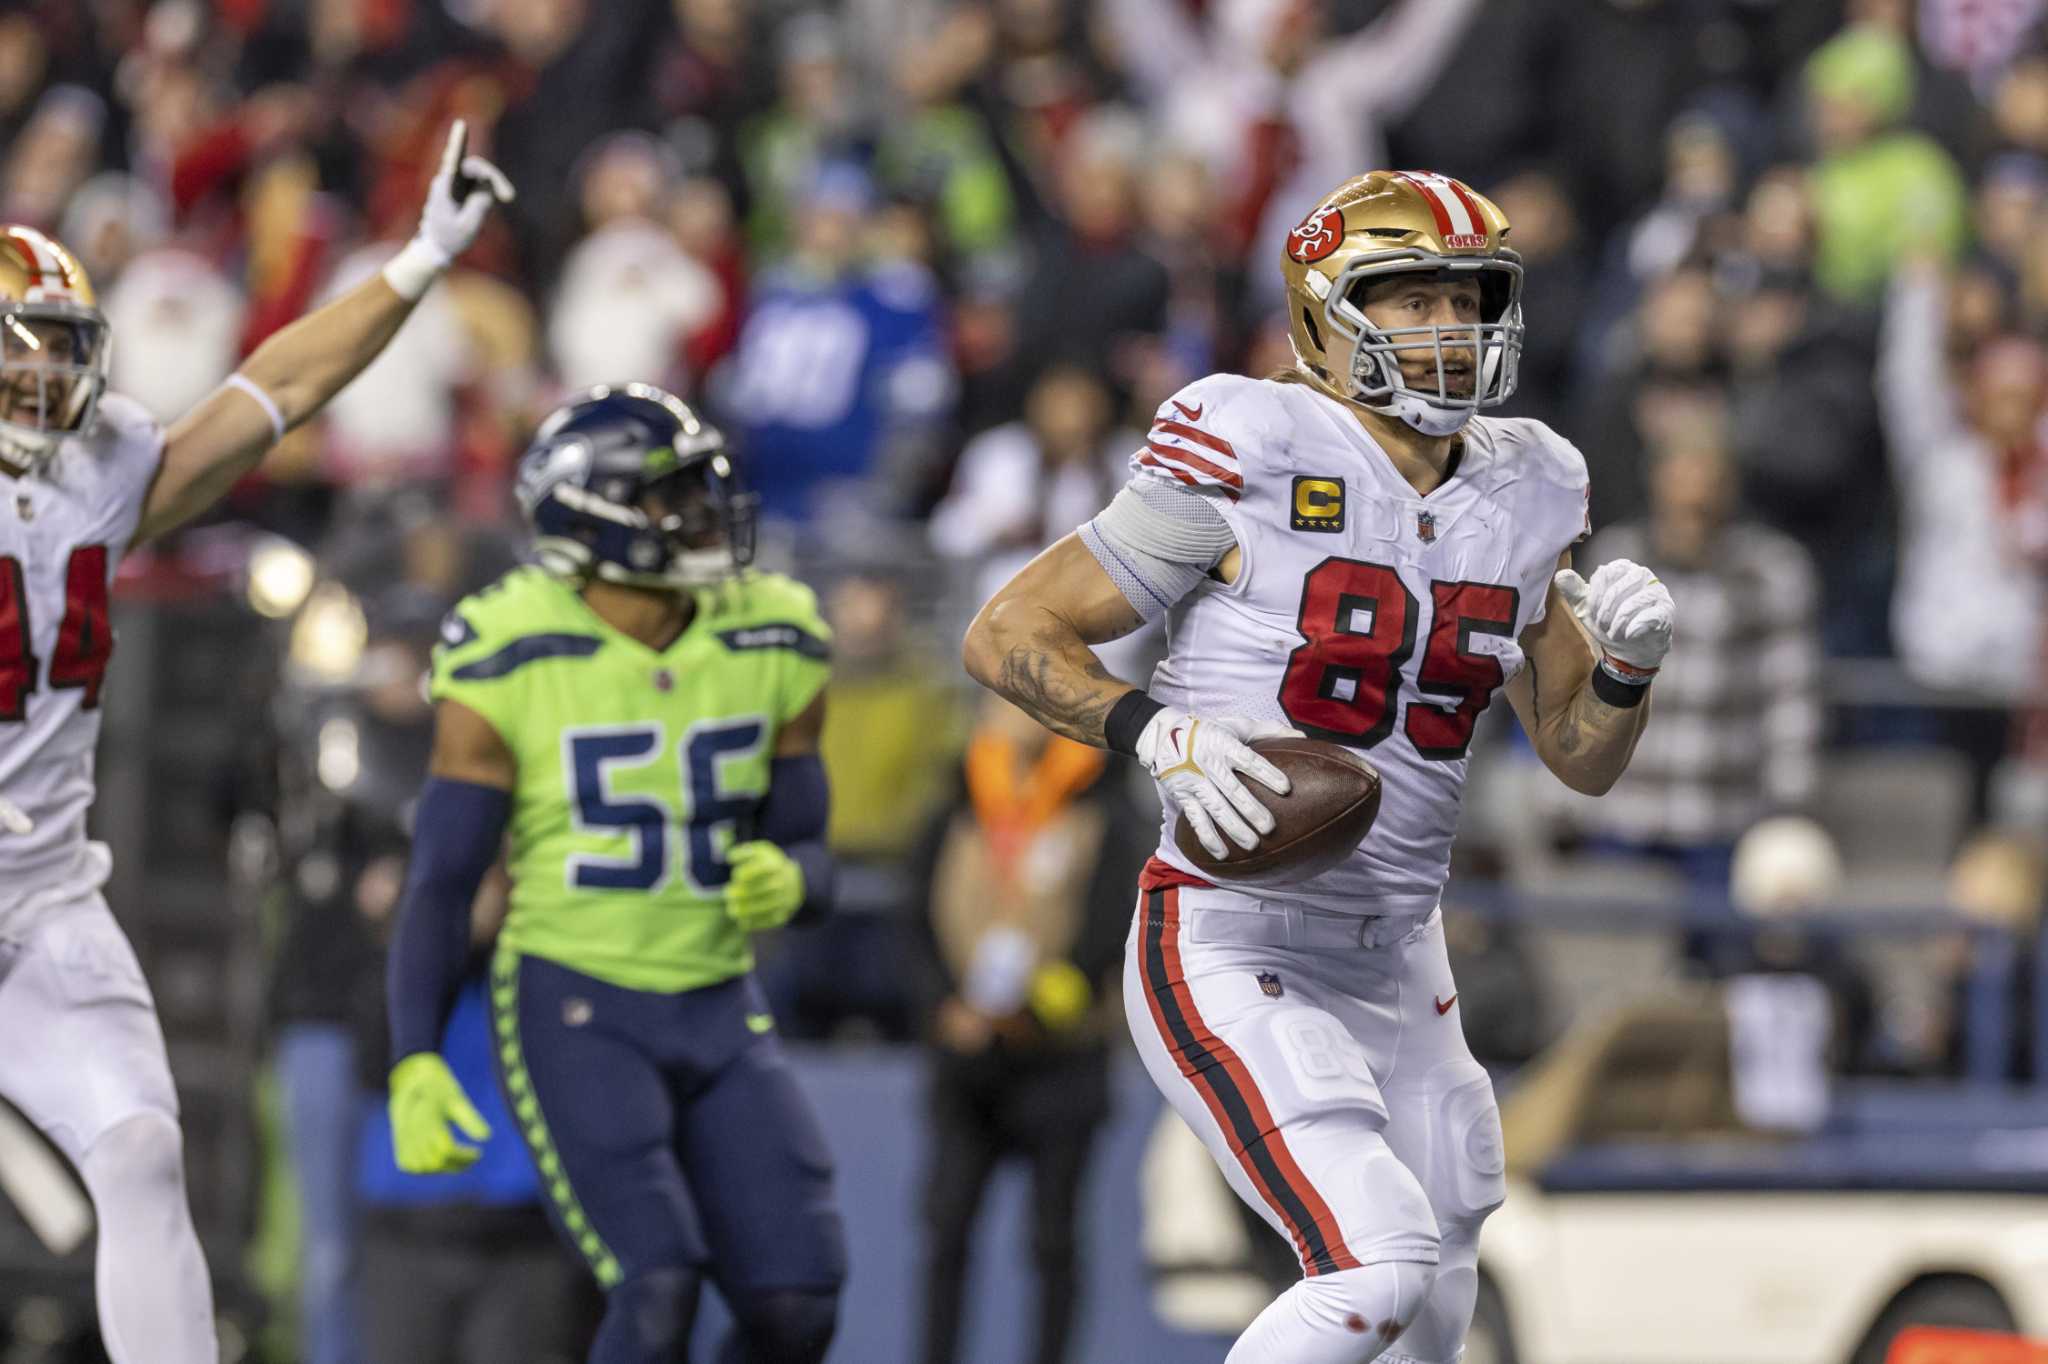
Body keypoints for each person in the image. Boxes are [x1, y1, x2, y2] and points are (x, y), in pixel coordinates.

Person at [963, 170, 1677, 1364]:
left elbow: (1577, 758)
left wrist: (1623, 672)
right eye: (1409, 300)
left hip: (1399, 948)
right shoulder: (1250, 440)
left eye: (1468, 300)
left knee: (1439, 1294)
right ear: (1323, 316)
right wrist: (1151, 728)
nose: (1448, 329)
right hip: (1229, 928)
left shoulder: (1532, 481)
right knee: (1373, 1261)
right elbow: (1007, 632)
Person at [0, 121, 511, 1364]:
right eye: (18, 359)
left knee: (137, 1148)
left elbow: (278, 388)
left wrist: (416, 259)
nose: (43, 385)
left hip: (41, 894)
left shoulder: (108, 462)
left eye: (57, 358)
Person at [382, 383, 847, 1364]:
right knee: (656, 1283)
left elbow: (812, 851)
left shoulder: (775, 627)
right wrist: (414, 1051)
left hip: (718, 997)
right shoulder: (507, 640)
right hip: (573, 994)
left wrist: (793, 878)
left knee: (797, 1300)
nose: (704, 512)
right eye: (669, 495)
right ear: (591, 511)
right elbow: (441, 876)